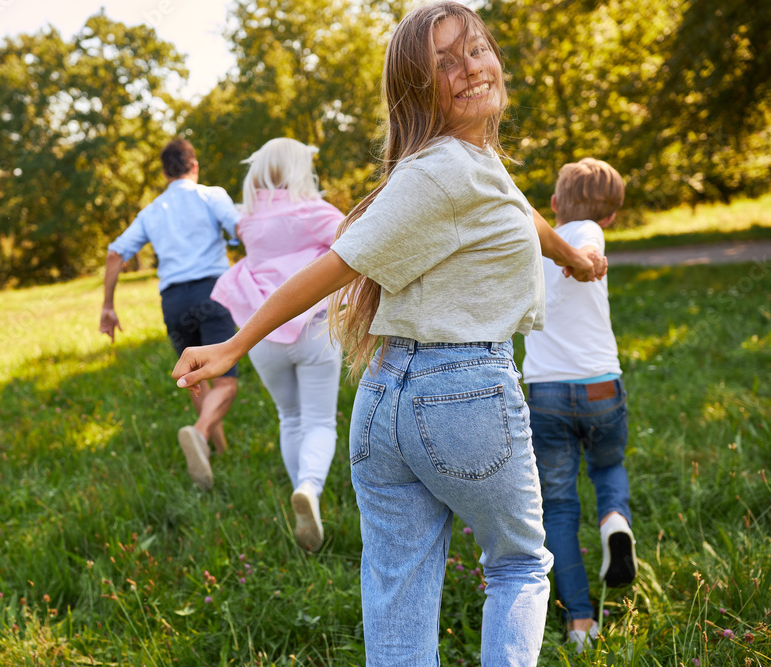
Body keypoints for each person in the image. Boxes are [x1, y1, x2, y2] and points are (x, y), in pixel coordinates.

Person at [172, 3, 607, 664]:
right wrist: (234, 344)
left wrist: (573, 257)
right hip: (464, 393)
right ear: (417, 90)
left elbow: (520, 212)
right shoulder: (443, 171)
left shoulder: (470, 163)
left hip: (385, 406)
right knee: (519, 564)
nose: (470, 69)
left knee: (398, 591)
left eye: (476, 50)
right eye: (445, 63)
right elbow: (335, 265)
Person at [521, 157, 636, 653]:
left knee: (560, 505)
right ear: (611, 215)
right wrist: (589, 257)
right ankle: (614, 521)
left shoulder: (537, 241)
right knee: (608, 467)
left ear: (554, 204)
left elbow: (586, 248)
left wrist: (586, 257)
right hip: (600, 387)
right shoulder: (591, 230)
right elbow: (589, 245)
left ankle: (580, 622)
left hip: (546, 393)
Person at [211, 138, 345, 552]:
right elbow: (358, 246)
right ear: (300, 169)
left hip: (261, 333)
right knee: (320, 421)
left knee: (290, 417)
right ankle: (310, 488)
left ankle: (301, 497)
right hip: (313, 329)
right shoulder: (315, 211)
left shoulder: (248, 220)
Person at [101, 138, 240, 492]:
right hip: (213, 292)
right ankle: (200, 433)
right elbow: (241, 229)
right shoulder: (211, 195)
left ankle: (217, 451)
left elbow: (115, 254)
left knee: (194, 378)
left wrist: (108, 306)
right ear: (195, 166)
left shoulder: (152, 211)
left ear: (164, 174)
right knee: (225, 381)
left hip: (174, 301)